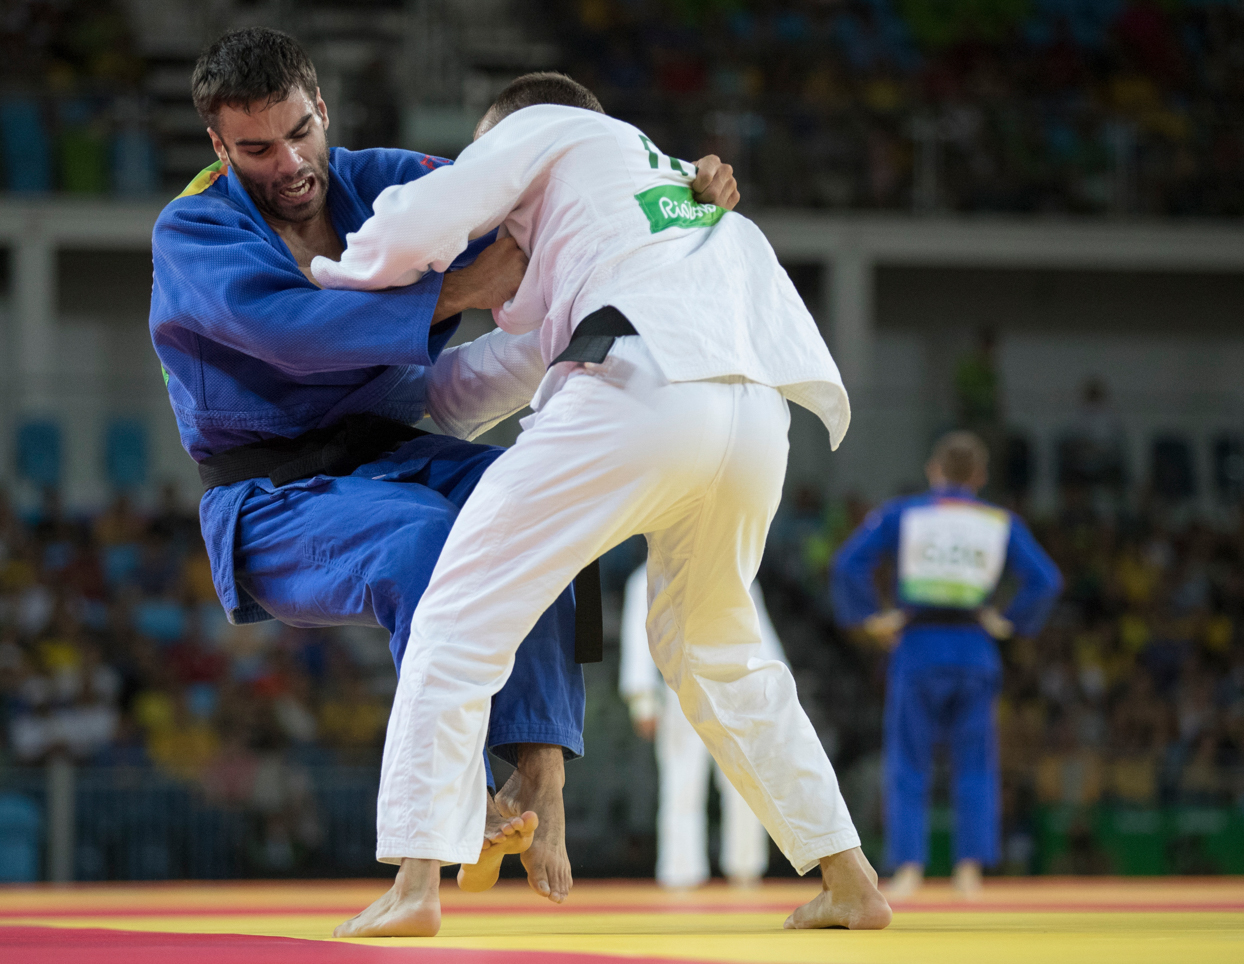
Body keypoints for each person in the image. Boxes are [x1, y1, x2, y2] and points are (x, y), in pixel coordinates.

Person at [148, 29, 742, 903]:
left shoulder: (381, 179)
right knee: (428, 543)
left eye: (301, 130)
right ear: (218, 147)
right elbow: (289, 329)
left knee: (542, 506)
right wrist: (464, 287)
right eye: (257, 148)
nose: (290, 161)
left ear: (325, 107)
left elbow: (537, 184)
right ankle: (444, 810)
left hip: (392, 454)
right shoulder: (195, 228)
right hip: (271, 497)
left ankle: (541, 779)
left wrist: (672, 188)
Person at [314, 72, 890, 937]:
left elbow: (419, 218)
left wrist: (333, 277)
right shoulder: (652, 201)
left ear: (519, 132)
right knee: (716, 647)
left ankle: (415, 880)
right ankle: (850, 876)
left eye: (492, 152)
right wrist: (371, 395)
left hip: (640, 383)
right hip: (752, 412)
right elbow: (478, 386)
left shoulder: (553, 128)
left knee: (461, 609)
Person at [830, 431, 1063, 899]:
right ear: (980, 477)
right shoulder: (999, 521)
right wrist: (1009, 621)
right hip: (976, 649)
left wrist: (869, 619)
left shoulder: (905, 513)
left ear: (933, 471)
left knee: (908, 763)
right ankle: (969, 872)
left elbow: (846, 564)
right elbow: (1046, 580)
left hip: (917, 648)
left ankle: (909, 871)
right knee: (976, 764)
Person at [620, 563, 783, 889]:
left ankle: (746, 867)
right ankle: (680, 870)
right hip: (681, 688)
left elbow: (758, 632)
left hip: (737, 689)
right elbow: (639, 641)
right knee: (681, 781)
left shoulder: (737, 567)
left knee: (744, 782)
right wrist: (643, 698)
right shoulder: (647, 577)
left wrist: (773, 689)